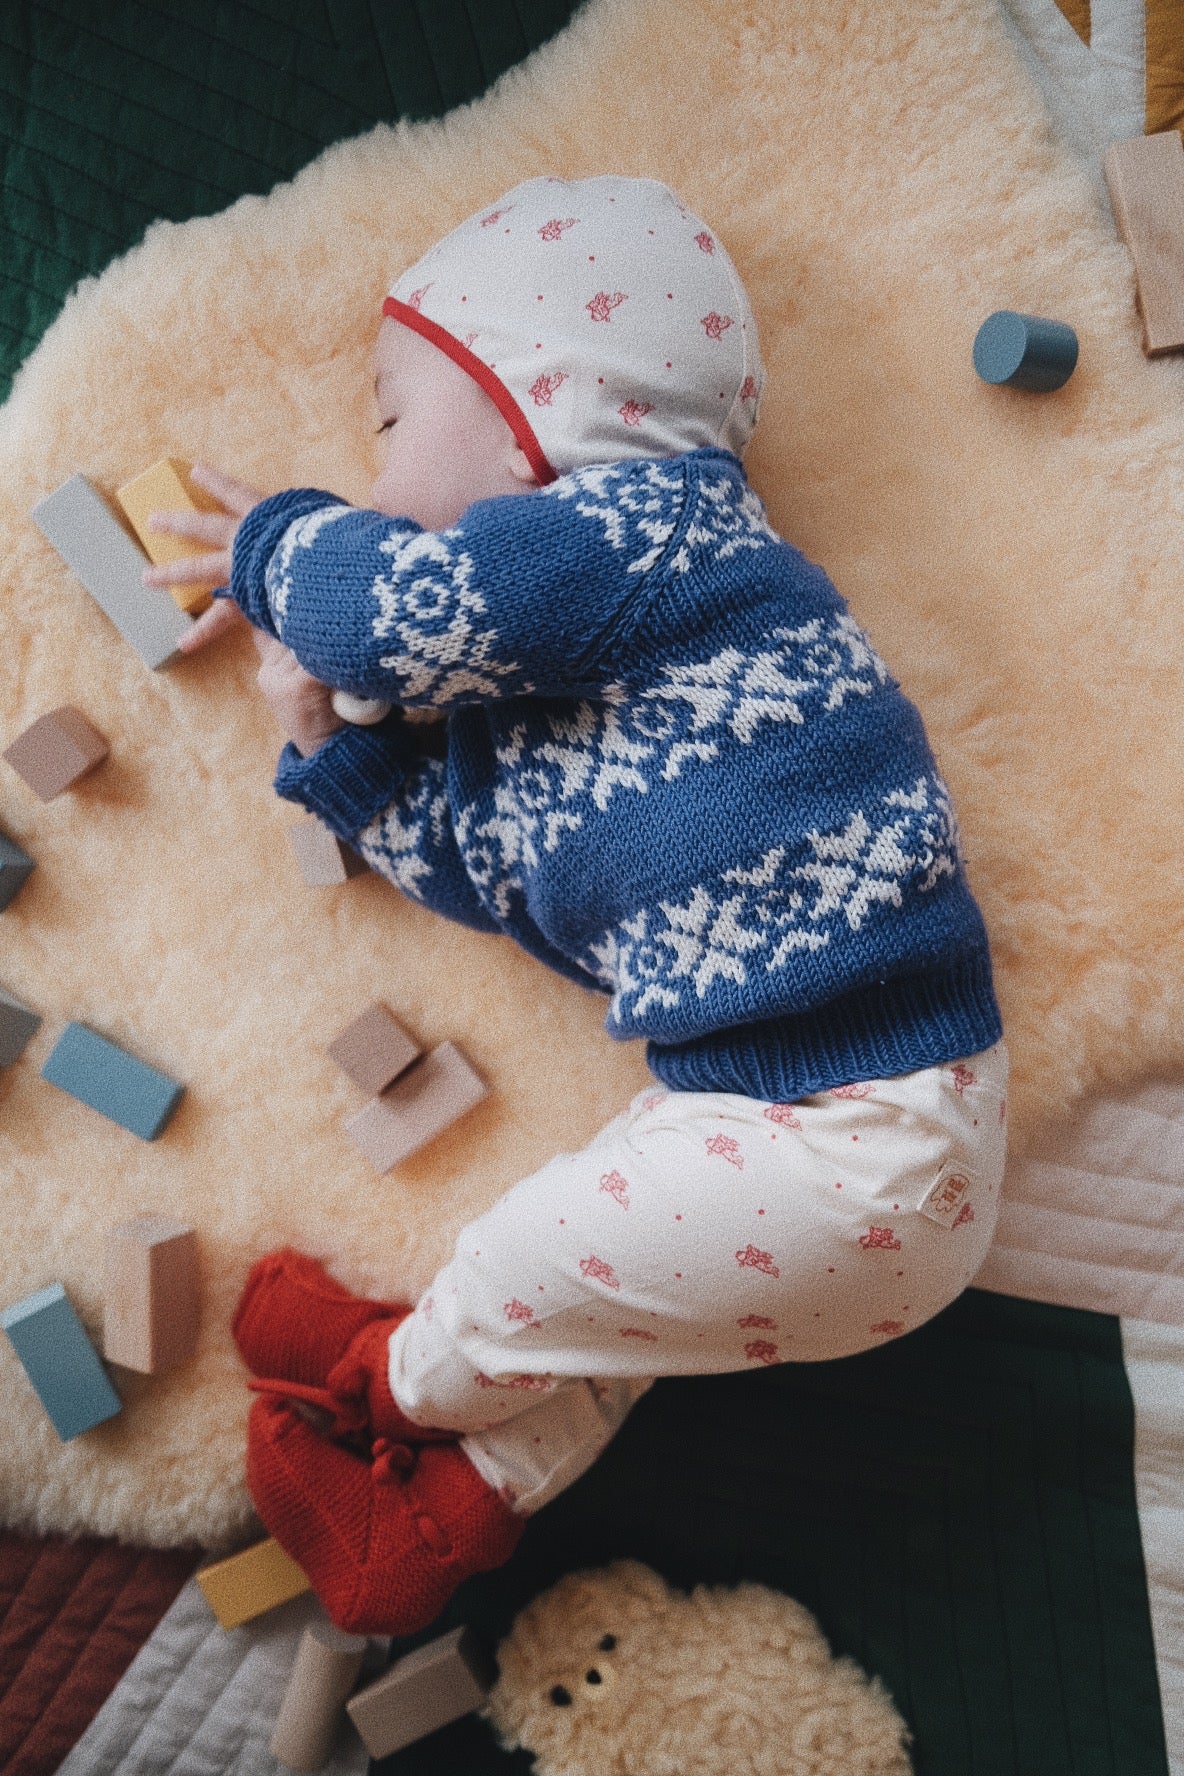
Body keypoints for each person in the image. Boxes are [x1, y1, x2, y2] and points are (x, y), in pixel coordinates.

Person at [147, 175, 1008, 1637]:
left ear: (541, 412)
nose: (372, 468)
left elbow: (393, 610)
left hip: (869, 1123)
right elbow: (483, 875)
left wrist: (276, 546)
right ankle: (446, 1500)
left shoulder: (656, 537)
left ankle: (388, 1380)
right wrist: (331, 754)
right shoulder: (555, 684)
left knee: (525, 1256)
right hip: (774, 1135)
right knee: (600, 1311)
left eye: (389, 421)